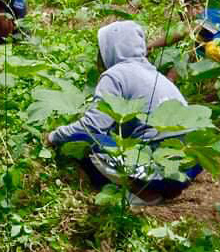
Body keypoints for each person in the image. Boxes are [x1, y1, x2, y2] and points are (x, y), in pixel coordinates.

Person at [47, 21, 202, 206]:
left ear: (109, 50)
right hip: (189, 165)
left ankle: (142, 193)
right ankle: (162, 188)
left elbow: (91, 126)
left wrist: (53, 136)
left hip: (158, 168)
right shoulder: (156, 75)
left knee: (85, 140)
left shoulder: (115, 75)